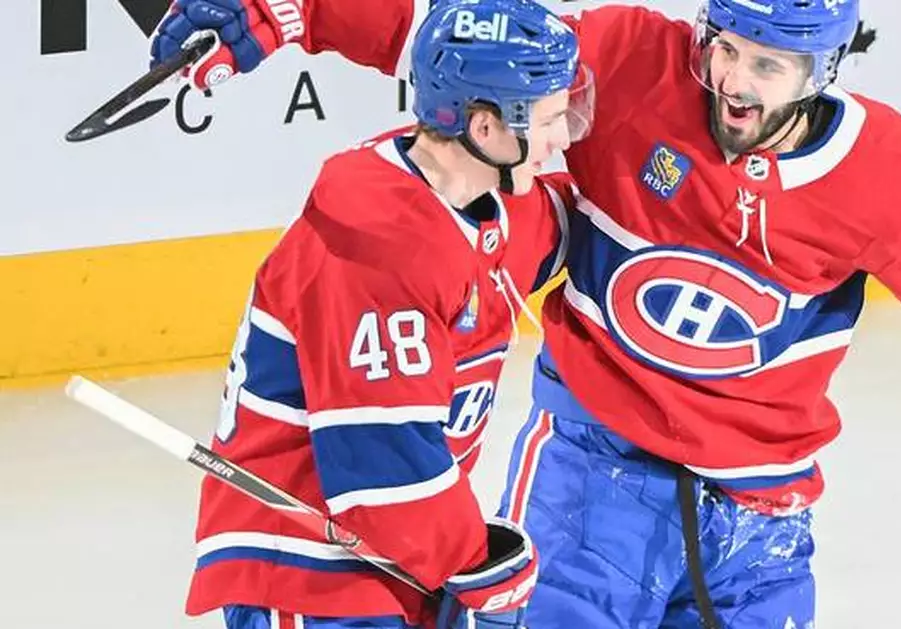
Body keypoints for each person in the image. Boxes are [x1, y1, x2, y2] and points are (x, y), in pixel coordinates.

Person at [152, 0, 901, 627]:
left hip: (761, 516)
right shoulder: (625, 61)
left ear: (824, 68)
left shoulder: (886, 177)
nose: (734, 81)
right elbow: (468, 43)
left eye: (768, 67)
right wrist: (297, 11)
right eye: (724, 48)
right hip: (586, 476)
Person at [177, 0, 593, 628]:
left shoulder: (477, 196)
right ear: (486, 130)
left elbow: (555, 232)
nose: (563, 140)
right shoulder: (378, 247)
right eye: (550, 119)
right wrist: (478, 565)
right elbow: (383, 468)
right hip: (308, 568)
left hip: (384, 562)